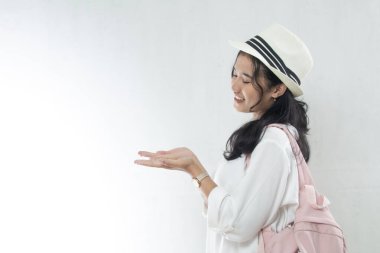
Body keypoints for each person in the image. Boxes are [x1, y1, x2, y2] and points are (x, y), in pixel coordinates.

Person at [134, 24, 313, 253]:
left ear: (277, 89)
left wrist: (196, 171)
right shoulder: (262, 137)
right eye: (235, 74)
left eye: (246, 80)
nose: (234, 85)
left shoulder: (273, 144)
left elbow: (237, 224)